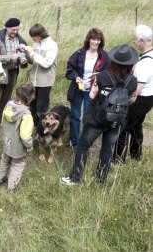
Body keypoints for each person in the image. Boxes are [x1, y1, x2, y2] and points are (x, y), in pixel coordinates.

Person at [61, 44, 138, 185]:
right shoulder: (132, 81)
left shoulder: (102, 76)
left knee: (83, 146)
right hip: (118, 121)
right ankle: (100, 180)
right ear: (130, 63)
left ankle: (75, 178)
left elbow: (92, 96)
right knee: (107, 150)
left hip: (98, 119)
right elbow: (132, 100)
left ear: (113, 60)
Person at [114, 25, 153, 162]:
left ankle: (118, 159)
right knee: (136, 126)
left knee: (123, 127)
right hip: (149, 98)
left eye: (135, 39)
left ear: (142, 40)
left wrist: (127, 102)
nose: (134, 41)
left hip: (141, 99)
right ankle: (136, 155)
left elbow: (137, 90)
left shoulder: (144, 64)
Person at [65, 28, 110, 148]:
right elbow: (70, 69)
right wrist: (76, 77)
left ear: (101, 41)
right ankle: (73, 141)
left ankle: (84, 142)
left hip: (92, 92)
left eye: (98, 40)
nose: (96, 42)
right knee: (75, 116)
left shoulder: (104, 56)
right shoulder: (79, 53)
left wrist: (99, 77)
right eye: (93, 39)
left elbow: (108, 73)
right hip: (77, 89)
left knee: (87, 117)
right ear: (88, 40)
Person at [0, 83, 35, 191]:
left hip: (6, 140)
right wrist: (29, 145)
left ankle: (0, 178)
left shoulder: (9, 105)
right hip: (18, 145)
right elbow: (24, 134)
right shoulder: (26, 114)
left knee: (5, 159)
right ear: (30, 98)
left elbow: (2, 122)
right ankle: (11, 186)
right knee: (17, 164)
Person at [20, 23, 58, 126]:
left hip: (45, 81)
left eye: (34, 37)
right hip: (33, 80)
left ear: (39, 35)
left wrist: (32, 53)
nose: (33, 39)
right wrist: (26, 58)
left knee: (42, 107)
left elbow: (46, 63)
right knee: (32, 104)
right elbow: (34, 61)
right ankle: (32, 126)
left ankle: (42, 130)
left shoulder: (52, 45)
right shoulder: (36, 44)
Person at [0, 17, 28, 124]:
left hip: (13, 71)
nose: (15, 32)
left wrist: (23, 60)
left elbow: (23, 54)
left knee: (7, 96)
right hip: (0, 70)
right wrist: (8, 58)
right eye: (13, 30)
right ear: (7, 28)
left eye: (17, 30)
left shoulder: (20, 40)